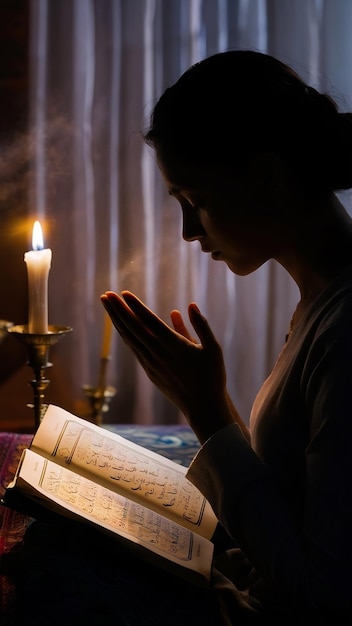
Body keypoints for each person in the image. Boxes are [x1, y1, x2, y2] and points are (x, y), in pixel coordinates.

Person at [100, 50, 352, 625]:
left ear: (265, 176)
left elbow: (326, 600)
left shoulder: (345, 331)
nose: (190, 231)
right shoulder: (321, 296)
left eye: (198, 202)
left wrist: (208, 412)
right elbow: (291, 492)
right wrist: (211, 409)